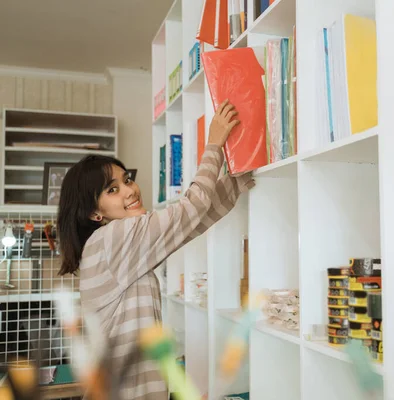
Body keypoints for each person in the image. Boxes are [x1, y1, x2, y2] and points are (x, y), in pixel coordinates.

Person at [57, 100, 254, 399]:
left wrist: (239, 180)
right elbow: (192, 208)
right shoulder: (112, 239)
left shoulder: (116, 245)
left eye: (127, 180)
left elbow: (192, 222)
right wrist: (214, 143)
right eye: (112, 190)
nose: (130, 190)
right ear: (95, 214)